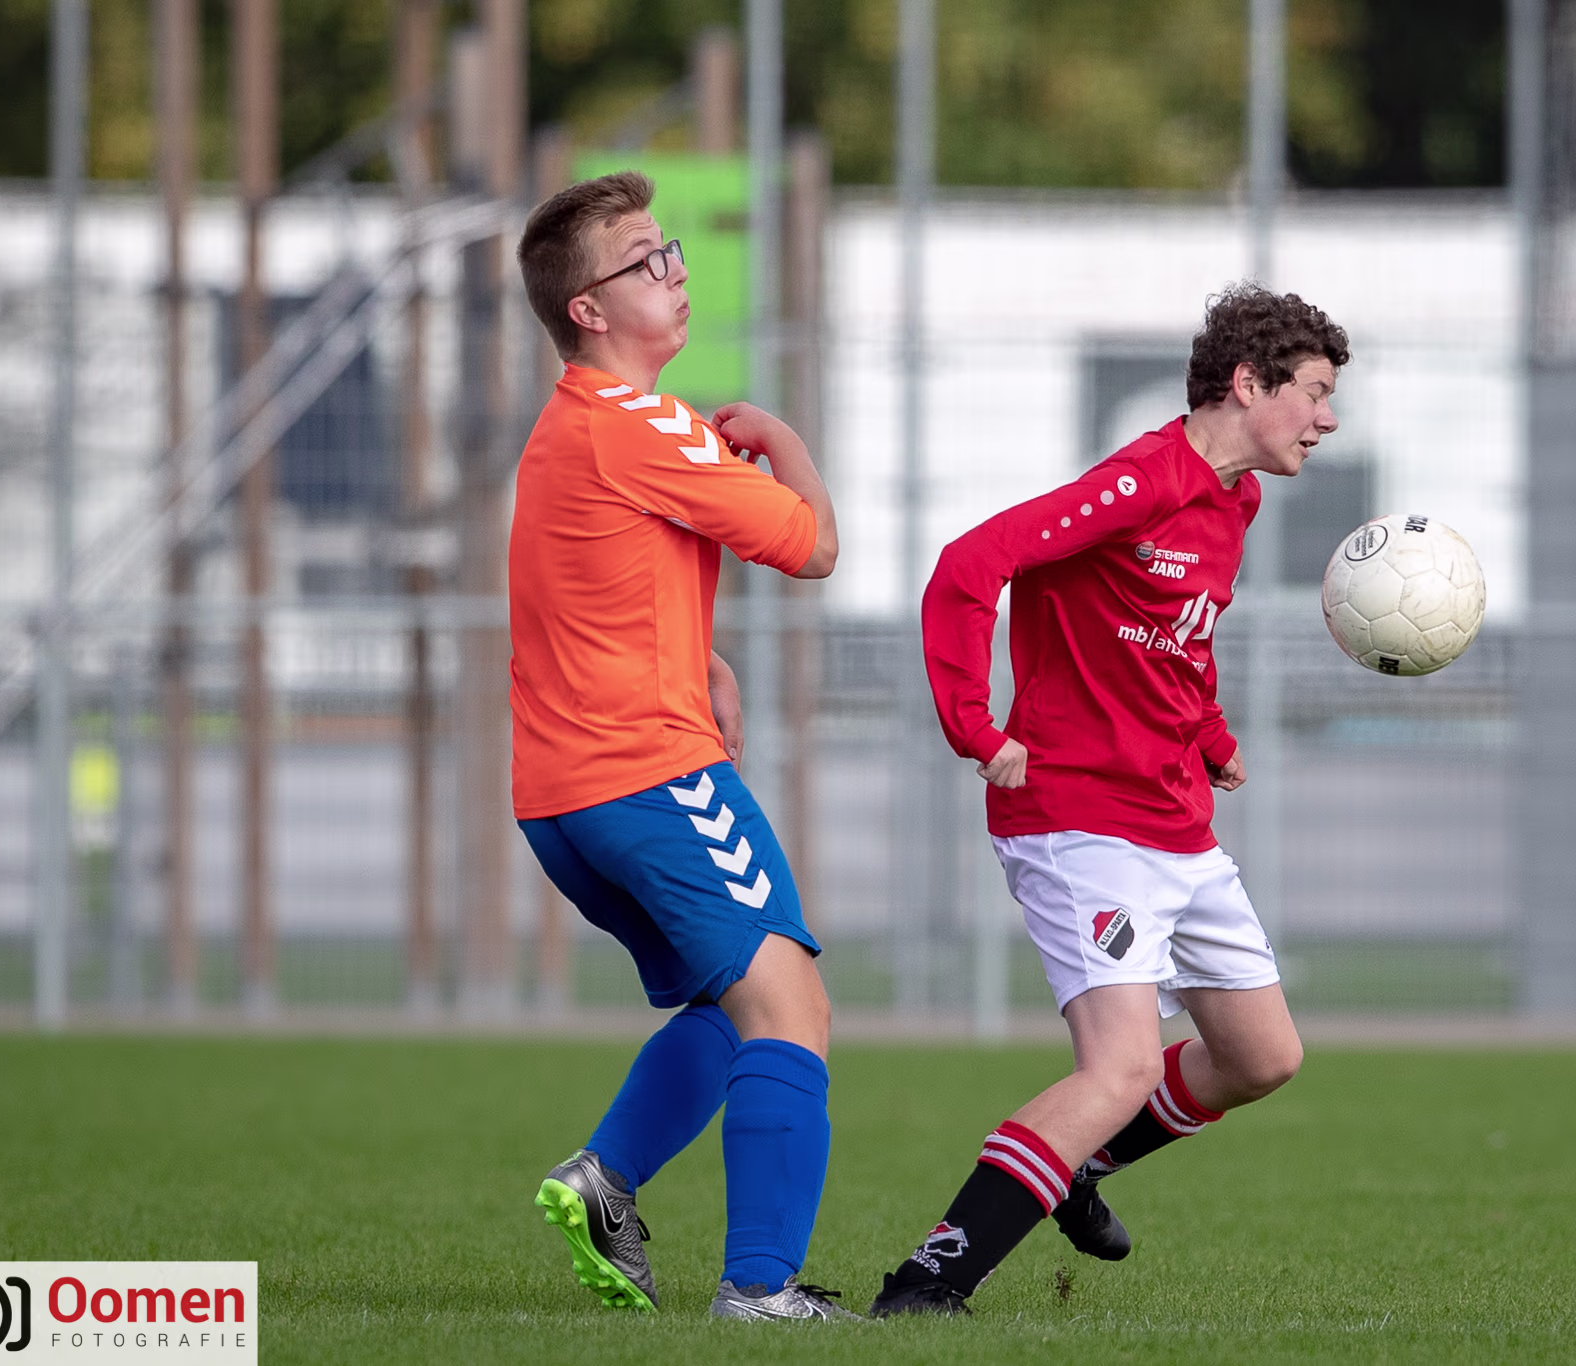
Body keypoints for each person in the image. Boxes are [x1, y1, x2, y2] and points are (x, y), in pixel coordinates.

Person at [868, 284, 1348, 1317]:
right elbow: (969, 566)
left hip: (1174, 822)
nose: (1328, 419)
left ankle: (1073, 1161)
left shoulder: (1235, 500)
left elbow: (1174, 635)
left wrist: (1209, 735)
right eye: (1313, 392)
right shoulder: (1140, 481)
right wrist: (974, 725)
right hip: (1078, 819)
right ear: (1246, 383)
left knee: (1262, 1055)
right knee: (1120, 1067)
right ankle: (928, 1282)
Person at [510, 170, 853, 1322]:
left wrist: (699, 658)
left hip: (560, 798)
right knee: (792, 1008)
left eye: (672, 251)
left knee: (725, 1004)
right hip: (652, 779)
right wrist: (782, 437)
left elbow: (586, 585)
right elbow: (812, 548)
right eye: (645, 259)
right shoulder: (640, 422)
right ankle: (759, 1289)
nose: (675, 271)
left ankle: (603, 1180)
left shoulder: (567, 429)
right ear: (588, 310)